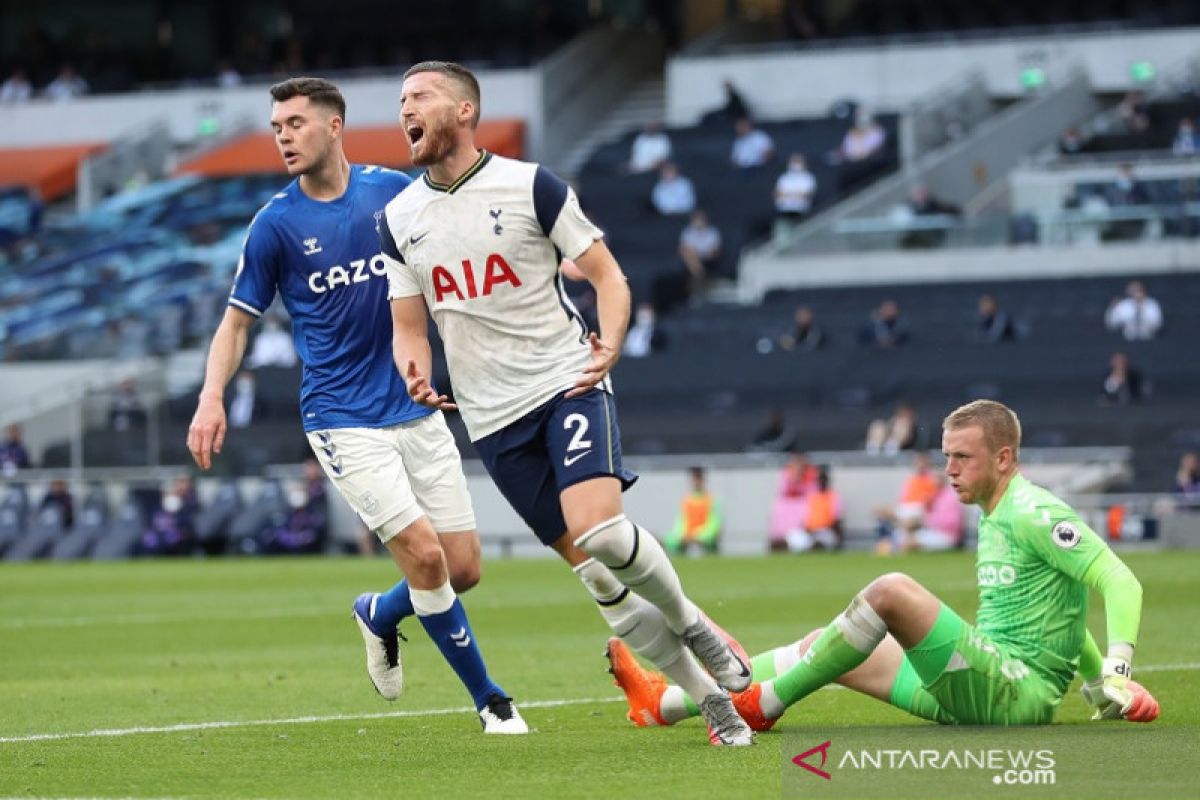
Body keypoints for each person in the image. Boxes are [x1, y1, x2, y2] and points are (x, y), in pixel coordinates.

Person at [381, 61, 754, 746]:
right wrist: (415, 370)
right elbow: (410, 324)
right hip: (491, 420)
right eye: (401, 100)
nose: (407, 108)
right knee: (597, 580)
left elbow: (610, 277)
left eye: (422, 95)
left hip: (566, 381)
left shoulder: (531, 185)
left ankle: (692, 622)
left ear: (465, 111)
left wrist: (609, 344)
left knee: (603, 533)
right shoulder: (399, 218)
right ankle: (709, 700)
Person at [185, 76, 525, 734]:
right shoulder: (275, 225)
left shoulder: (392, 192)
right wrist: (211, 395)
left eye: (295, 123)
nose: (283, 135)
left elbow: (462, 241)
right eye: (276, 126)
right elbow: (236, 322)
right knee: (426, 559)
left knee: (462, 569)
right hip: (341, 417)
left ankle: (380, 613)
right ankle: (491, 701)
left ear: (333, 127)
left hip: (414, 404)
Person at [608, 400, 1161, 730]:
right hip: (980, 682)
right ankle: (667, 704)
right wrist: (1092, 684)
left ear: (1004, 457)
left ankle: (763, 705)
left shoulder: (1034, 511)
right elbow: (1060, 607)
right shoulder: (996, 512)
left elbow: (1118, 579)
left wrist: (1116, 671)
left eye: (961, 457)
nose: (948, 469)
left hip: (1009, 692)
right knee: (825, 644)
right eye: (945, 455)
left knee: (892, 590)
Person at [781, 467, 843, 553]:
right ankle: (808, 547)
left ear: (827, 481)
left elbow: (836, 521)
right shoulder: (812, 497)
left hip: (825, 531)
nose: (821, 483)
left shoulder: (833, 497)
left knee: (825, 538)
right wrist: (807, 529)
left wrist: (819, 529)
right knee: (793, 535)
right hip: (809, 532)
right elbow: (805, 519)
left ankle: (815, 546)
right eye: (819, 480)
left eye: (823, 480)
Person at [664, 467, 722, 556]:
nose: (696, 481)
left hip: (704, 539)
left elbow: (714, 525)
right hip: (687, 537)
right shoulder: (686, 501)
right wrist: (683, 536)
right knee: (669, 540)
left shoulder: (711, 500)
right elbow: (681, 523)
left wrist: (697, 536)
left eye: (699, 478)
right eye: (695, 478)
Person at [767, 452, 818, 551]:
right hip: (787, 508)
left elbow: (813, 497)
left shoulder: (811, 477)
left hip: (803, 507)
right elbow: (782, 491)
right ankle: (780, 540)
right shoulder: (786, 475)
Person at [677, 209, 721, 299]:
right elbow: (683, 249)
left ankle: (698, 280)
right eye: (696, 219)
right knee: (690, 257)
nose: (699, 222)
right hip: (692, 257)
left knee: (692, 259)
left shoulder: (712, 232)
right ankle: (701, 277)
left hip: (708, 257)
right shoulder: (688, 232)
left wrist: (704, 253)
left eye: (701, 219)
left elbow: (715, 250)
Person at [773, 154, 816, 219]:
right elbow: (777, 193)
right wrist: (796, 194)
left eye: (798, 162)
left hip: (801, 210)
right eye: (794, 162)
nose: (795, 165)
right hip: (784, 210)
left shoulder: (808, 177)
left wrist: (787, 194)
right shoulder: (784, 177)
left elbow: (808, 194)